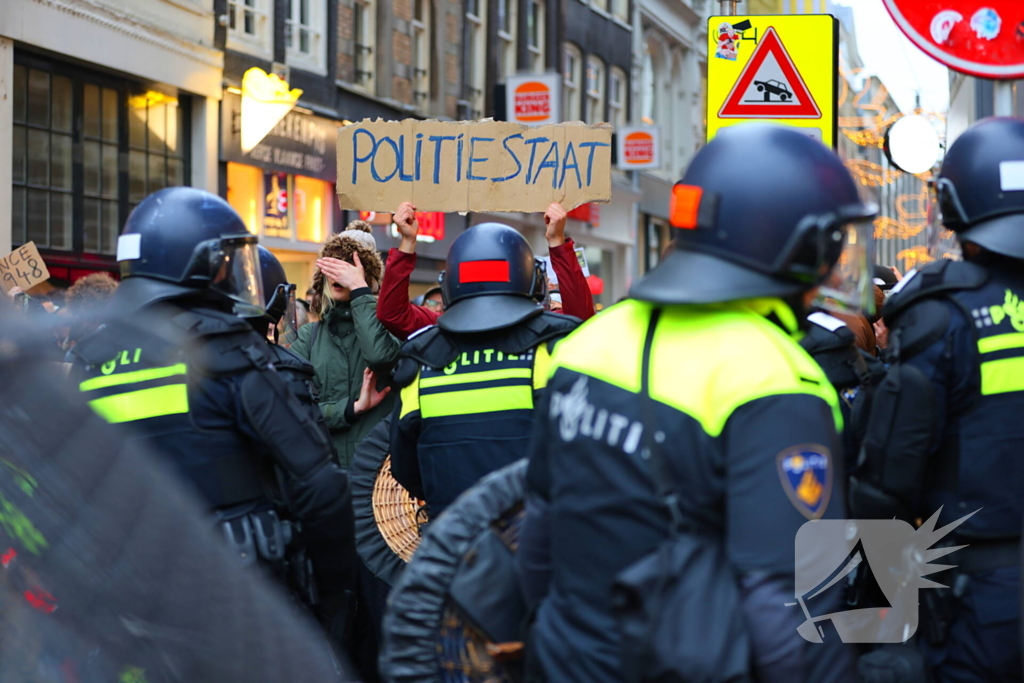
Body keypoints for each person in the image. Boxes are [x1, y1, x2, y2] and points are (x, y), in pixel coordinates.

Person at [519, 124, 877, 683]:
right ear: (791, 244)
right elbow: (788, 612)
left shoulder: (586, 346)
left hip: (568, 658)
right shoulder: (775, 378)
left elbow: (539, 532)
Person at [68, 188, 357, 653]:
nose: (234, 273)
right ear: (194, 265)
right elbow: (319, 484)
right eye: (227, 260)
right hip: (235, 602)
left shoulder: (87, 361)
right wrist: (331, 596)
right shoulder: (229, 349)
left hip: (130, 608)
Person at [0, 309, 350, 683]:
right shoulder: (234, 357)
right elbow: (317, 484)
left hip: (126, 597)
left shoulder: (87, 361)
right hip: (226, 583)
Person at [855, 117, 1024, 683]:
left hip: (973, 596)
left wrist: (871, 633)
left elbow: (883, 487)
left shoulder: (939, 316)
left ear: (952, 206)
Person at [389, 221, 580, 517]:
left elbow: (405, 468)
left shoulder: (422, 360)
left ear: (449, 284)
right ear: (534, 281)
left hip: (453, 543)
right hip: (542, 539)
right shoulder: (556, 348)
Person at [376, 202, 594, 341]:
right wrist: (557, 241)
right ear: (531, 279)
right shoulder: (544, 329)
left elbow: (392, 315)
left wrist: (408, 242)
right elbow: (581, 320)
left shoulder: (442, 327)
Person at [290, 220, 401, 468]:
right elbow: (295, 409)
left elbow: (379, 356)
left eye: (352, 266)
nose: (341, 274)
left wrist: (361, 292)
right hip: (326, 474)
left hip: (380, 479)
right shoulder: (309, 337)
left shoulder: (391, 329)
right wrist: (351, 409)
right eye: (335, 265)